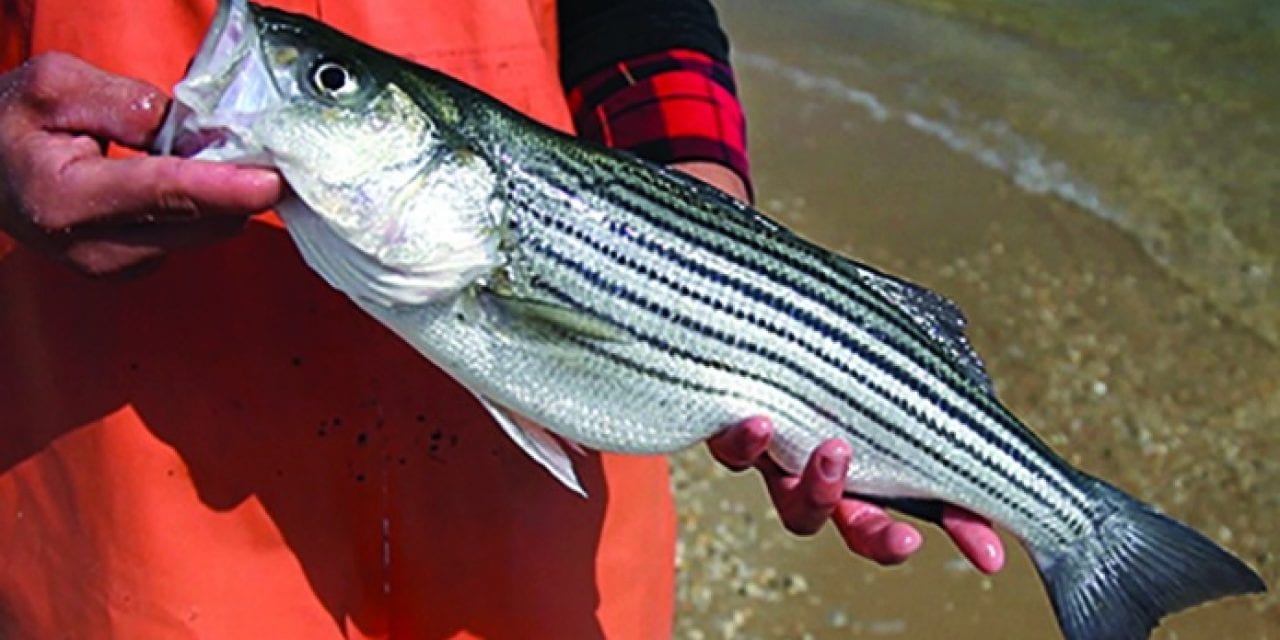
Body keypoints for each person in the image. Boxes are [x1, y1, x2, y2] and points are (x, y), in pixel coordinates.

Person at [0, 0, 1002, 637]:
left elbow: (642, 22)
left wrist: (705, 264)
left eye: (325, 84)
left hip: (537, 522)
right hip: (118, 465)